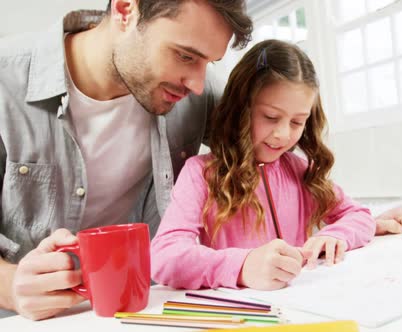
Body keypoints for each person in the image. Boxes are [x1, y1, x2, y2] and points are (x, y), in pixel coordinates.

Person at [0, 0, 252, 320]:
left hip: (147, 311)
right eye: (185, 55)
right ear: (124, 10)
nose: (197, 83)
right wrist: (10, 285)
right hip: (28, 321)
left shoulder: (197, 91)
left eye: (209, 62)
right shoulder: (5, 82)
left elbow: (271, 148)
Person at [150, 40, 377, 291]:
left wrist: (335, 235)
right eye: (271, 117)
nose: (282, 134)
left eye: (297, 122)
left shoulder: (299, 170)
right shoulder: (201, 174)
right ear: (241, 109)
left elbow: (359, 215)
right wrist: (243, 266)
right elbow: (164, 258)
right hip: (242, 318)